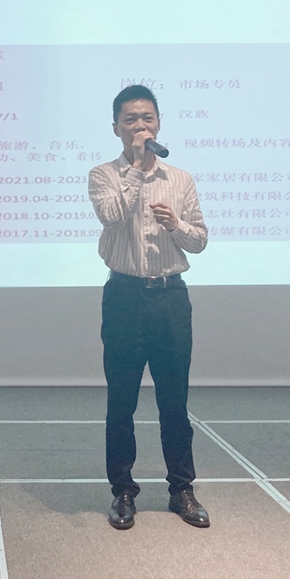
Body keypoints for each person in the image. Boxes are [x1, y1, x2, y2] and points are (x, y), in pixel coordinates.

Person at [88, 84, 209, 530]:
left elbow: (199, 241)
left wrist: (176, 225)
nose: (140, 126)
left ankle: (182, 489)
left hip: (170, 298)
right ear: (116, 128)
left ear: (159, 123)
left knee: (174, 401)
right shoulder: (103, 175)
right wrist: (137, 169)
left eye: (148, 118)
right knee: (121, 402)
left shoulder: (181, 179)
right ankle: (123, 491)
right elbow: (112, 216)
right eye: (131, 120)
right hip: (124, 298)